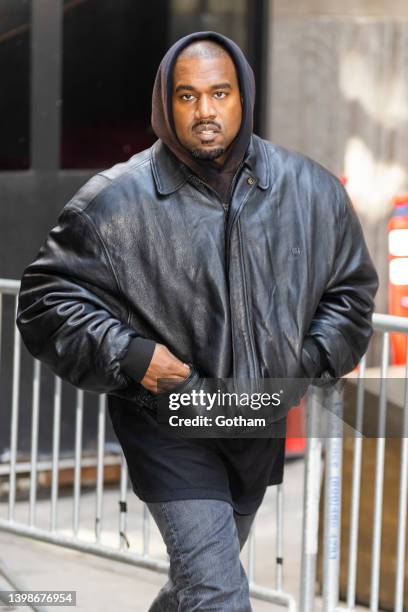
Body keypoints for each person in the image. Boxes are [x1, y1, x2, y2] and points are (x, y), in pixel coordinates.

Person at [16, 31, 378, 611]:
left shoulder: (309, 191)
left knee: (196, 588)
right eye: (187, 96)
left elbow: (350, 293)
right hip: (169, 426)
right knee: (218, 595)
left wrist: (303, 363)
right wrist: (131, 356)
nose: (205, 111)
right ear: (166, 103)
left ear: (244, 97)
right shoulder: (114, 201)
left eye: (219, 93)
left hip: (255, 421)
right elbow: (44, 301)